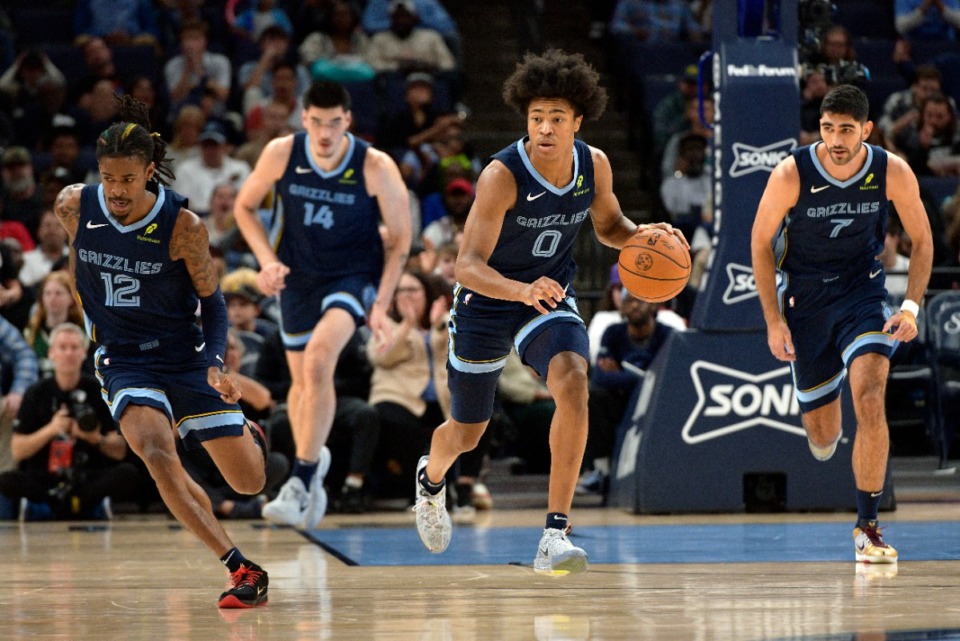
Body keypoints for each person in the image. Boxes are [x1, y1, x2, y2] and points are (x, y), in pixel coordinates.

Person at [412, 49, 686, 575]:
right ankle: (430, 481)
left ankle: (554, 534)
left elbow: (609, 228)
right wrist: (518, 290)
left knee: (574, 383)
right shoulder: (501, 175)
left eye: (556, 118)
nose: (544, 128)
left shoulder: (594, 164)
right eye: (536, 117)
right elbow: (465, 265)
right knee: (468, 432)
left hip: (548, 297)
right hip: (487, 303)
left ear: (577, 122)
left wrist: (645, 236)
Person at [53, 95, 270, 608]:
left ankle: (248, 432)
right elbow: (76, 264)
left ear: (150, 171)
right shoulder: (73, 205)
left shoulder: (182, 227)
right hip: (124, 359)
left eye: (128, 179)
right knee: (154, 452)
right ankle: (239, 566)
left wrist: (216, 364)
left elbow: (213, 303)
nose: (117, 190)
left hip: (183, 355)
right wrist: (92, 320)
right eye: (109, 178)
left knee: (248, 483)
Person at [751, 84, 934, 564]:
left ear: (866, 130)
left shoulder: (889, 170)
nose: (835, 138)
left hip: (863, 291)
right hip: (806, 299)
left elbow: (922, 237)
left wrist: (911, 306)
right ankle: (825, 434)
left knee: (871, 396)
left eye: (846, 130)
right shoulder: (793, 172)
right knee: (824, 436)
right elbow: (758, 243)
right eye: (828, 128)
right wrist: (773, 321)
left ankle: (867, 526)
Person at [233, 80, 412, 530]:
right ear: (304, 119)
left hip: (353, 277)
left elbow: (402, 238)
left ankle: (300, 478)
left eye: (335, 123)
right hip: (298, 277)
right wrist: (267, 262)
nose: (326, 132)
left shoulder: (374, 165)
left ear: (348, 121)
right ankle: (313, 469)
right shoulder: (280, 153)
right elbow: (244, 207)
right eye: (317, 122)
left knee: (317, 364)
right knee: (300, 388)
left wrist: (381, 303)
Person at [0, 323, 141, 520]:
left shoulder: (98, 390)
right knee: (6, 479)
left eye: (74, 348)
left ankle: (56, 506)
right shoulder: (36, 392)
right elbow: (17, 449)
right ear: (51, 354)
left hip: (87, 474)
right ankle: (76, 505)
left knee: (128, 472)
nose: (68, 353)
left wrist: (93, 438)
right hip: (47, 475)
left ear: (84, 353)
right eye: (62, 347)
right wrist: (51, 430)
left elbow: (119, 450)